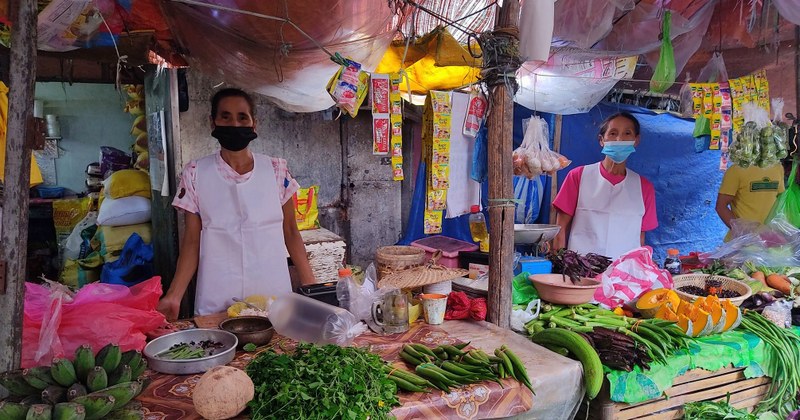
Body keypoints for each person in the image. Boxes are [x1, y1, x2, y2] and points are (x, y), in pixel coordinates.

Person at [157, 88, 316, 320]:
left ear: (254, 124)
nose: (234, 123)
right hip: (217, 292)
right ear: (213, 122)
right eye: (226, 116)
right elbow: (191, 241)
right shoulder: (195, 173)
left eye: (242, 117)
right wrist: (174, 295)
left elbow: (291, 232)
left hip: (272, 290)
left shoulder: (275, 170)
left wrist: (310, 285)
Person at [552, 112, 658, 260]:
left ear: (636, 140)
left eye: (627, 133)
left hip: (623, 274)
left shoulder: (644, 187)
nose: (620, 139)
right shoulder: (578, 176)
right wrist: (560, 263)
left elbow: (640, 238)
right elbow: (560, 228)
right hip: (581, 272)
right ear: (602, 140)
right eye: (613, 133)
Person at [715, 162, 785, 241]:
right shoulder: (736, 170)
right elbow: (721, 206)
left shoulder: (777, 167)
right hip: (742, 242)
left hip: (769, 239)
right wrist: (743, 232)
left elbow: (780, 200)